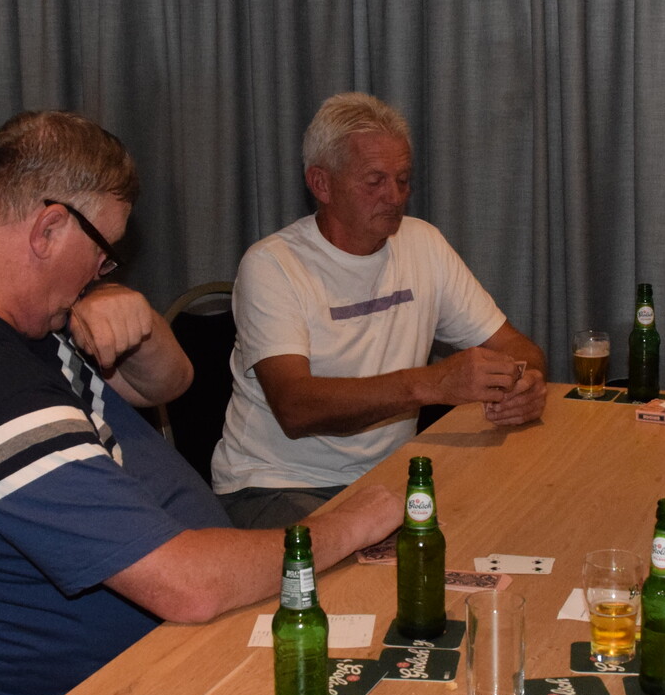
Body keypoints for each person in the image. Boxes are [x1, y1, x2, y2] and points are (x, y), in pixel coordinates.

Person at [0, 111, 400, 695]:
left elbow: (170, 384)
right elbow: (188, 586)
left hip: (183, 636)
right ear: (48, 229)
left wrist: (127, 311)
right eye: (102, 254)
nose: (100, 272)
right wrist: (343, 525)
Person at [211, 93, 547, 528]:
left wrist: (524, 385)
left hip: (391, 477)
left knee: (516, 517)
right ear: (321, 184)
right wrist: (431, 383)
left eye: (403, 179)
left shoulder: (423, 244)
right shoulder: (272, 265)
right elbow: (295, 408)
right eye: (375, 181)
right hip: (278, 484)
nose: (395, 196)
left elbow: (520, 350)